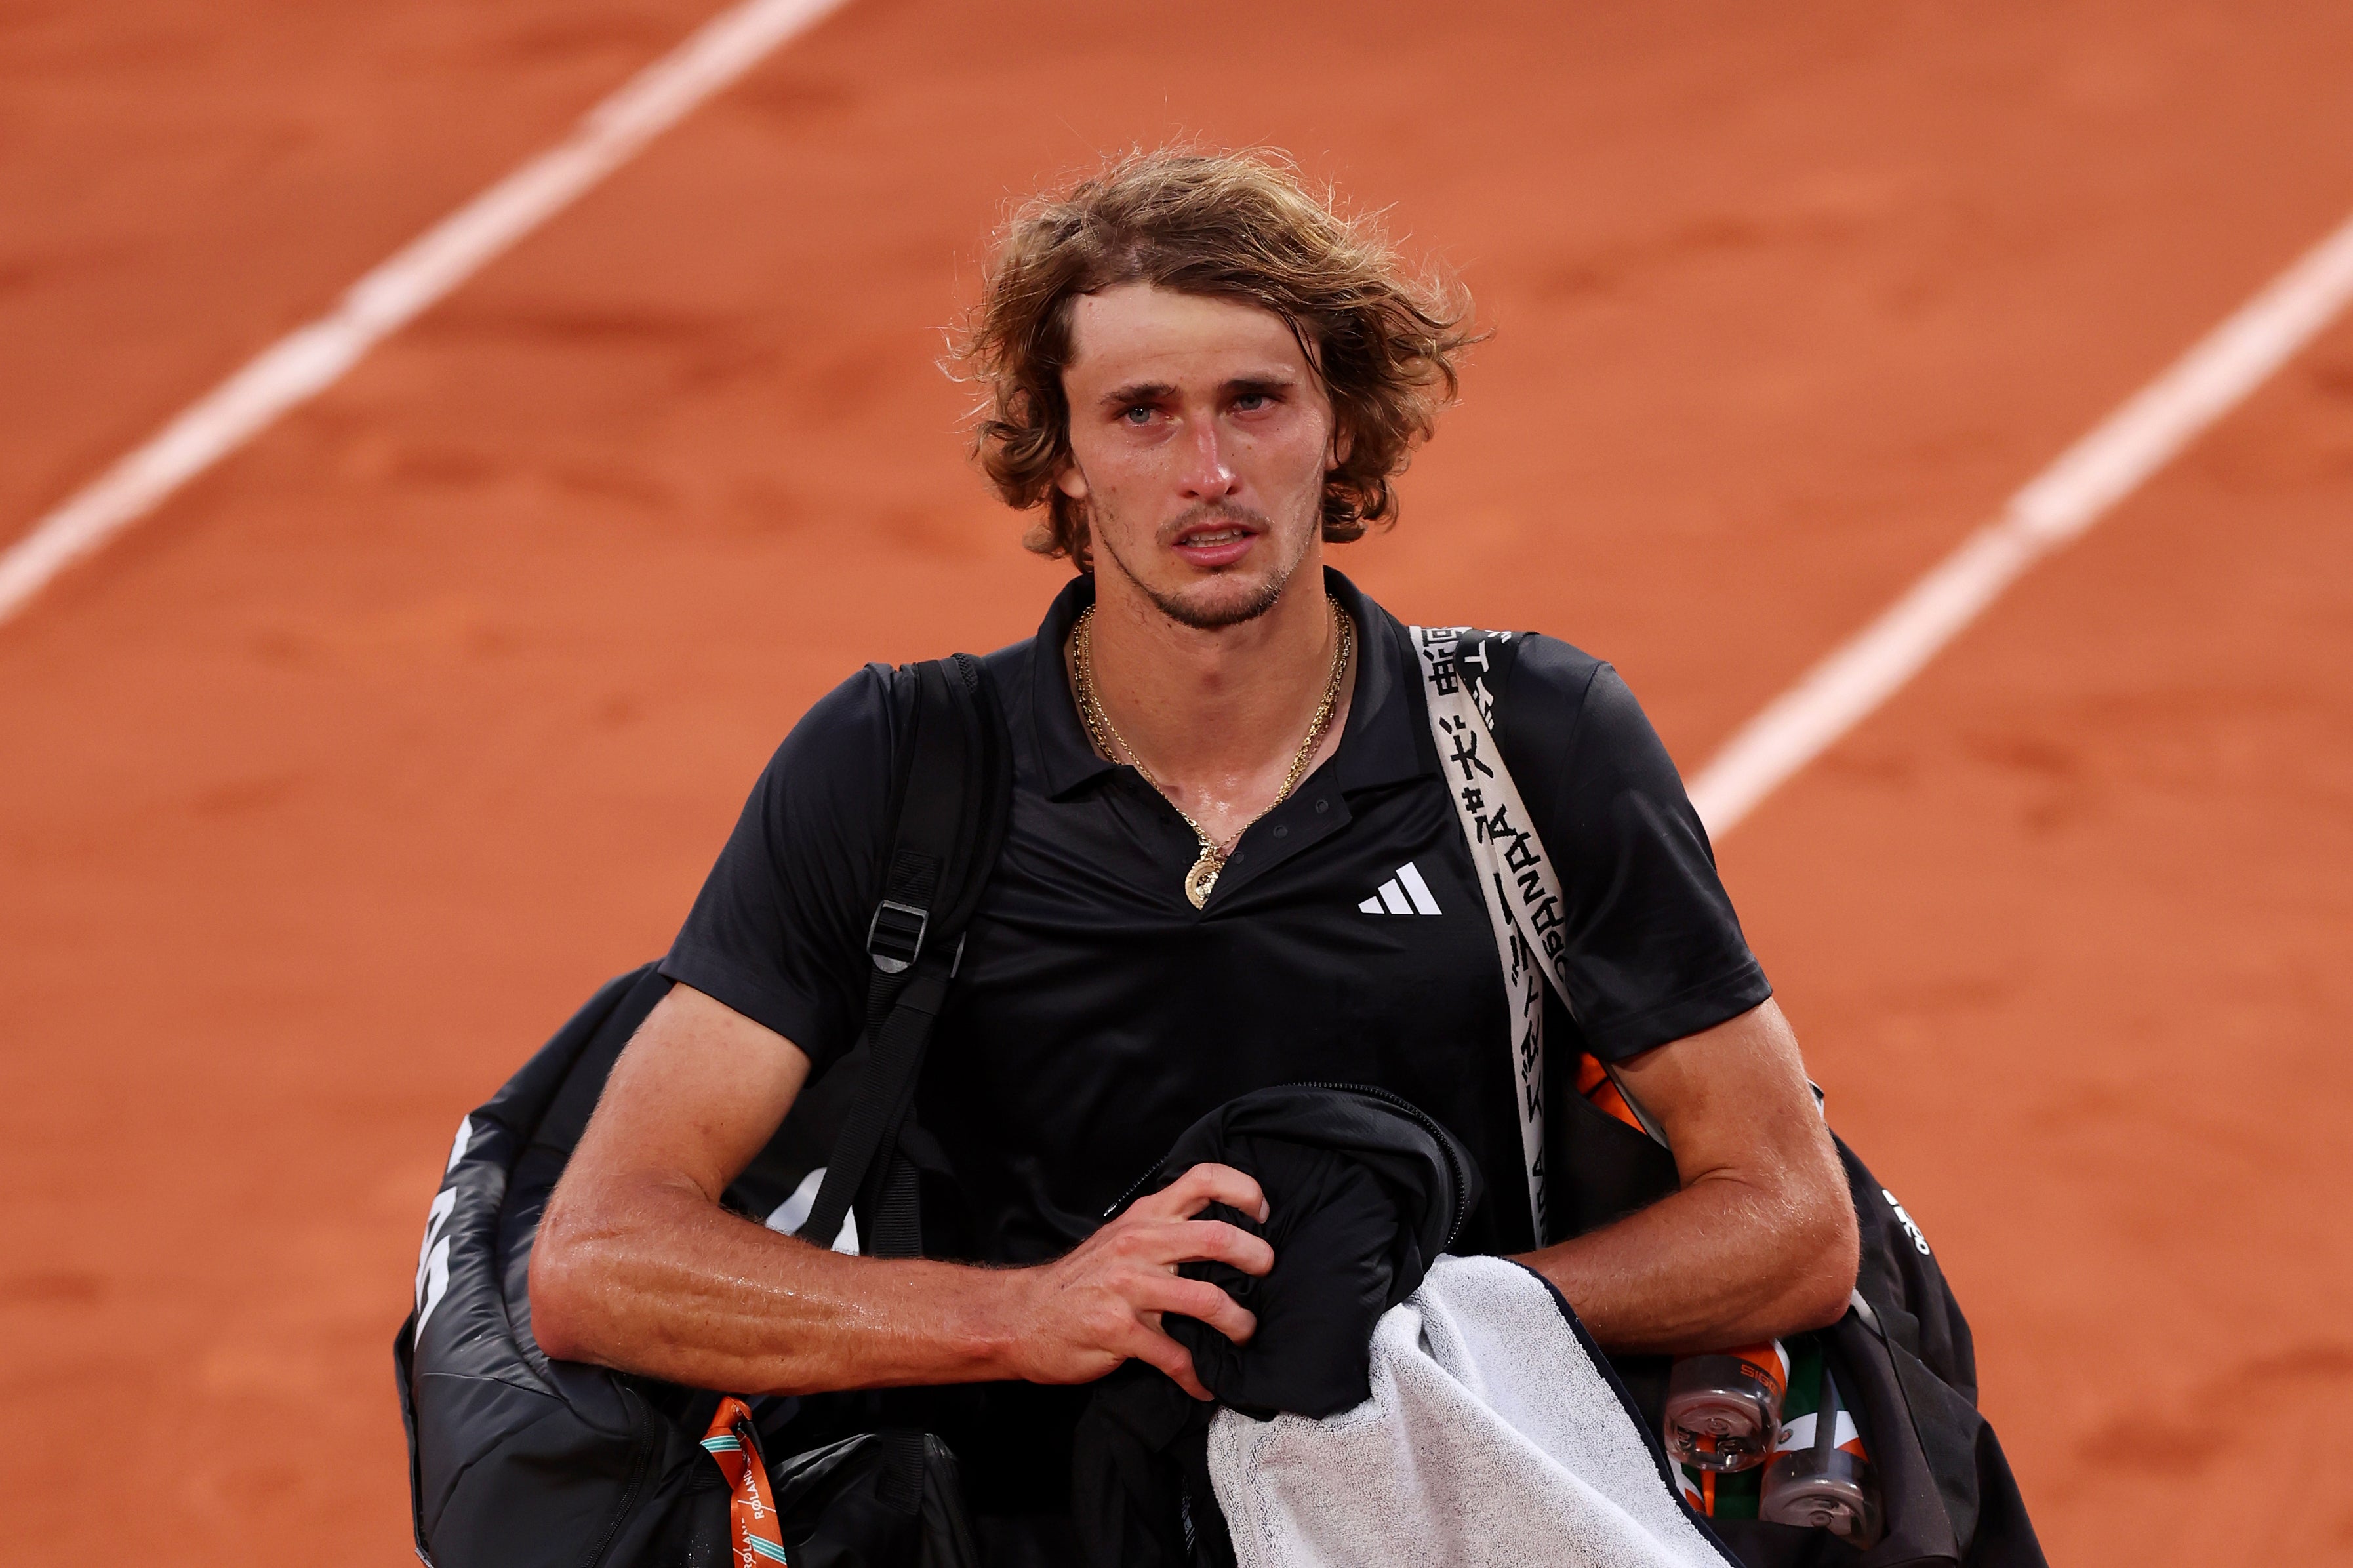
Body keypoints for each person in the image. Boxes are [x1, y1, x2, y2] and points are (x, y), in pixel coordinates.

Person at [531, 147, 1859, 1548]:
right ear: (1062, 456)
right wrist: (1023, 1311)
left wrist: (1436, 1315)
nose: (1209, 472)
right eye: (1142, 413)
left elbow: (1791, 1218)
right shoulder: (895, 765)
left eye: (1255, 401)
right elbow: (603, 1254)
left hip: (1439, 1514)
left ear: (1340, 423)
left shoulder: (1528, 739)